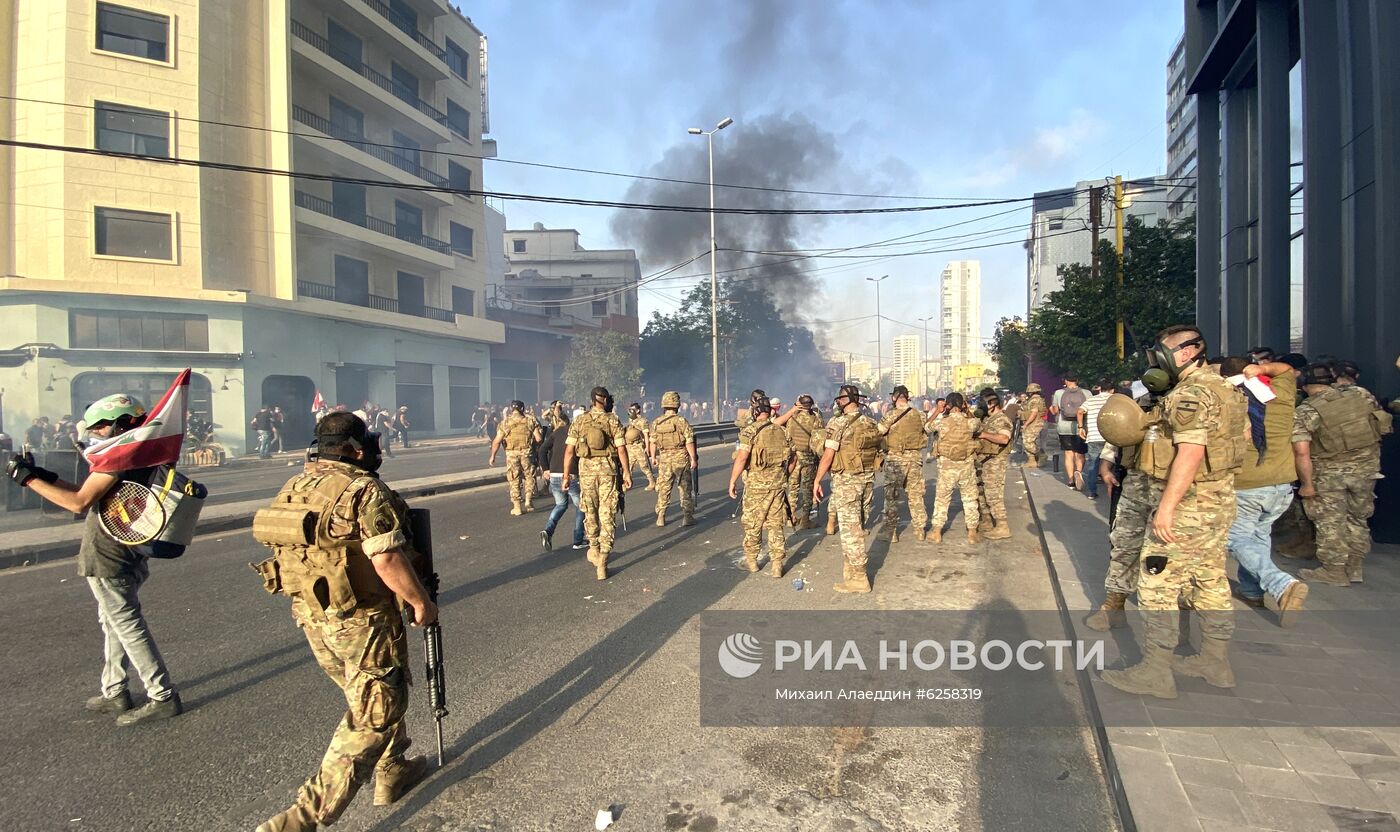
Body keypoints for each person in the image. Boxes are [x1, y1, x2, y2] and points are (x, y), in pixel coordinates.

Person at [250, 413, 436, 832]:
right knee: (375, 710)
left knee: (370, 691)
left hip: (315, 618)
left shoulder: (295, 485)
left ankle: (392, 768)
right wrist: (420, 601)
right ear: (355, 448)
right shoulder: (362, 489)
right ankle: (301, 819)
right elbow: (387, 557)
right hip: (362, 620)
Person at [7, 394, 182, 725]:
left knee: (127, 624)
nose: (96, 434)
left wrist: (28, 481)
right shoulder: (147, 453)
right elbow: (91, 490)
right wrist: (44, 475)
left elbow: (79, 502)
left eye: (101, 427)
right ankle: (115, 691)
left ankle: (162, 696)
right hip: (131, 547)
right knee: (113, 621)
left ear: (121, 424)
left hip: (108, 553)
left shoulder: (120, 457)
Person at [1101, 325, 1247, 699]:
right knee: (1211, 580)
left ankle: (1155, 672)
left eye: (1163, 350)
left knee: (1157, 586)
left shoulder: (1191, 394)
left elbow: (1191, 453)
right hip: (1216, 503)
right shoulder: (1225, 388)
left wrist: (1165, 509)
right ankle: (1215, 662)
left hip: (1187, 507)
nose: (1157, 358)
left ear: (1187, 352)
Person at [1216, 356, 1309, 623]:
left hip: (1247, 486)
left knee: (1236, 539)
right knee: (1259, 536)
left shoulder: (1227, 400)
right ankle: (1251, 590)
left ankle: (1281, 583)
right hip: (1281, 485)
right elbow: (1288, 370)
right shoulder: (1281, 393)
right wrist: (1264, 369)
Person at [1292, 362, 1386, 586]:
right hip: (1366, 471)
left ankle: (1334, 571)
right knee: (1358, 518)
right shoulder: (1361, 395)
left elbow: (1301, 451)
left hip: (1329, 474)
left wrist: (1306, 484)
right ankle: (1354, 568)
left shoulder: (1306, 410)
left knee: (1330, 521)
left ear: (1305, 386)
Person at [814, 385, 881, 593]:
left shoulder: (838, 423)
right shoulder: (870, 422)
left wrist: (817, 479)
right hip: (867, 480)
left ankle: (860, 578)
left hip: (847, 482)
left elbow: (828, 455)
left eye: (841, 399)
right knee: (857, 525)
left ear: (844, 400)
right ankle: (851, 569)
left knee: (851, 531)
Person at [563, 387, 632, 580]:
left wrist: (566, 476)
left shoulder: (579, 420)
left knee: (590, 512)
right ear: (605, 400)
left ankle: (593, 548)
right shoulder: (612, 420)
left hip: (586, 472)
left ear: (592, 400)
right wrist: (626, 472)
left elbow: (569, 452)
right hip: (607, 471)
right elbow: (621, 450)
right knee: (607, 514)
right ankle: (603, 559)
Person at [729, 397, 793, 576]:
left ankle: (752, 561)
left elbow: (742, 458)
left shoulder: (749, 432)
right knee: (775, 524)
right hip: (777, 485)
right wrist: (784, 474)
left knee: (753, 524)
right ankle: (777, 564)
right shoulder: (783, 431)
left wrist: (733, 481)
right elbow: (793, 458)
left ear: (755, 412)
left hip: (757, 486)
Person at [876, 385, 935, 542]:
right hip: (915, 458)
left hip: (895, 459)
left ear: (894, 398)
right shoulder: (919, 414)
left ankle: (891, 532)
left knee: (892, 496)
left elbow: (879, 431)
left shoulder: (890, 415)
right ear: (907, 397)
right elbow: (928, 430)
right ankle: (920, 529)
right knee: (916, 495)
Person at [928, 392, 982, 544]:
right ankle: (972, 533)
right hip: (966, 465)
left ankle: (937, 532)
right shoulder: (971, 422)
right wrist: (966, 409)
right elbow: (978, 425)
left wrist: (938, 411)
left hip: (947, 466)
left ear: (948, 405)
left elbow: (927, 426)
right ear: (963, 404)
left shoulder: (942, 422)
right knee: (970, 499)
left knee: (942, 499)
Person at [773, 394, 824, 530]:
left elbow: (780, 429)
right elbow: (819, 438)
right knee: (808, 489)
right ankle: (805, 520)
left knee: (793, 488)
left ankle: (791, 517)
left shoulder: (791, 416)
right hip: (809, 458)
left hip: (794, 457)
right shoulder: (816, 417)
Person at [539, 408, 586, 551]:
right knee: (580, 507)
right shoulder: (581, 433)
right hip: (571, 475)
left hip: (554, 475)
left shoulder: (558, 431)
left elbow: (542, 449)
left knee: (560, 505)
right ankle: (578, 540)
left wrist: (546, 468)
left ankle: (548, 530)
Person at [649, 391, 697, 527]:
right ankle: (687, 517)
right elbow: (689, 441)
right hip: (680, 457)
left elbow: (652, 442)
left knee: (664, 488)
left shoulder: (657, 422)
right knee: (685, 487)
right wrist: (693, 458)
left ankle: (661, 516)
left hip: (664, 458)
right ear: (677, 405)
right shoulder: (681, 421)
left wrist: (653, 457)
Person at [489, 400, 543, 516]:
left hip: (512, 454)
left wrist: (492, 456)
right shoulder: (530, 421)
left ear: (511, 409)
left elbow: (496, 441)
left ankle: (517, 506)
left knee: (514, 479)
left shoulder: (505, 423)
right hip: (527, 453)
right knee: (529, 476)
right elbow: (538, 438)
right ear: (523, 409)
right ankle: (529, 500)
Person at [973, 392, 1015, 540]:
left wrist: (984, 435)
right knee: (983, 494)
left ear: (992, 404)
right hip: (984, 462)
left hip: (995, 463)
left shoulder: (1002, 420)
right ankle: (988, 521)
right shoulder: (988, 419)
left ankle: (1003, 526)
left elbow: (1004, 439)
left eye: (984, 403)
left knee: (993, 495)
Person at [1076, 380, 1113, 499]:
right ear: (1112, 389)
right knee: (1112, 462)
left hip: (1093, 436)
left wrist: (1081, 427)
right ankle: (1113, 489)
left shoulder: (1091, 400)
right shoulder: (1115, 400)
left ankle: (1092, 492)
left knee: (1093, 464)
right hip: (1111, 436)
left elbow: (1080, 411)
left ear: (1099, 388)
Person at [1050, 377, 1088, 488]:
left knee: (1068, 453)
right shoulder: (1086, 393)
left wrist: (1052, 409)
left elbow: (1055, 411)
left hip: (1064, 427)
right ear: (1077, 380)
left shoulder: (1059, 393)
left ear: (1066, 381)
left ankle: (1071, 479)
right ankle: (1078, 472)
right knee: (1080, 453)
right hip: (1081, 427)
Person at [623, 403, 657, 492]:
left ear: (638, 410)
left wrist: (647, 447)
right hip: (630, 447)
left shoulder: (643, 421)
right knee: (628, 466)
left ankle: (652, 482)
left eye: (633, 409)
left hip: (638, 447)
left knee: (644, 466)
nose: (630, 411)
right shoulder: (631, 421)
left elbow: (646, 435)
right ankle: (626, 484)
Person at [1020, 383, 1047, 466]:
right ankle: (1032, 461)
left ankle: (1041, 455)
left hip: (1035, 423)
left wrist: (1026, 424)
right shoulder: (1038, 399)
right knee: (1029, 441)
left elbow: (1034, 413)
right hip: (1036, 422)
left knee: (1027, 441)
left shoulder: (1034, 400)